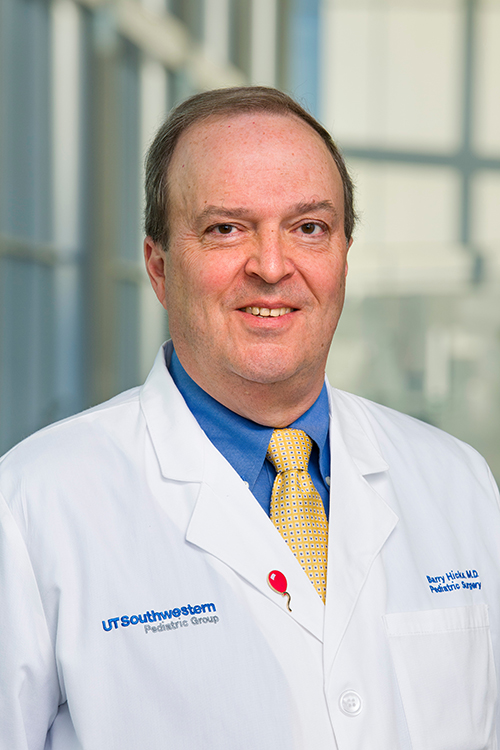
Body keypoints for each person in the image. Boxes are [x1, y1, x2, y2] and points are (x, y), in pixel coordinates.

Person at [1, 86, 499, 750]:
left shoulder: (457, 484)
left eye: (309, 228)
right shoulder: (34, 505)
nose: (270, 267)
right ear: (158, 264)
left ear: (343, 255)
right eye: (227, 228)